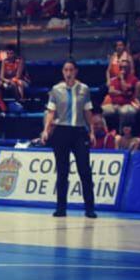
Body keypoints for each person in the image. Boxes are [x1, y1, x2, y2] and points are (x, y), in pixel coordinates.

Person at [40, 60, 96, 218]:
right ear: (63, 72)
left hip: (79, 132)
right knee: (62, 171)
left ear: (76, 71)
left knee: (85, 170)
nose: (68, 72)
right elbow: (51, 112)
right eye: (66, 70)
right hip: (61, 131)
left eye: (71, 69)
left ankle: (90, 208)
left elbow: (88, 112)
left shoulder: (84, 89)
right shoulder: (56, 90)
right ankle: (61, 208)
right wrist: (46, 130)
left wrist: (91, 131)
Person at [102, 58, 138, 130]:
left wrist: (122, 79)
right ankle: (106, 132)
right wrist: (122, 93)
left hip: (127, 104)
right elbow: (111, 92)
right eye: (121, 67)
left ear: (129, 68)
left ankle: (121, 132)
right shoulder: (115, 79)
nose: (123, 69)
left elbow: (126, 89)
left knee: (125, 112)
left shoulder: (133, 79)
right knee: (101, 111)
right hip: (114, 105)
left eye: (125, 67)